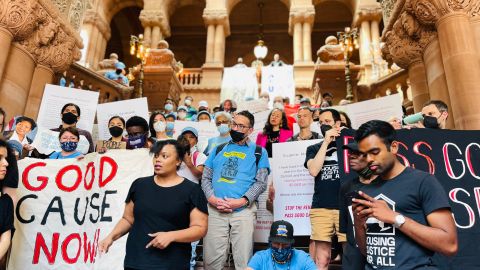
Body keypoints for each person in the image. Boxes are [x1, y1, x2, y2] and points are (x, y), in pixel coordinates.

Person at [352, 120, 457, 269]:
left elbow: (449, 245)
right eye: (364, 155)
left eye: (374, 152)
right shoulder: (367, 190)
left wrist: (395, 218)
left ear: (394, 147)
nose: (369, 159)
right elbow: (366, 251)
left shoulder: (423, 182)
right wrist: (358, 224)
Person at [99, 139, 208, 270]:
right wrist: (110, 237)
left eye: (164, 156)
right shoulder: (139, 185)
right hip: (136, 260)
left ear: (178, 161)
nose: (158, 160)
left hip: (172, 263)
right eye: (156, 156)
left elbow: (200, 228)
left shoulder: (192, 190)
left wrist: (171, 236)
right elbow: (128, 219)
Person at [201, 110, 270, 270]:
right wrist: (212, 199)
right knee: (211, 262)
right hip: (215, 211)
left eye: (241, 126)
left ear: (250, 130)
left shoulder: (259, 152)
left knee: (243, 261)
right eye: (234, 124)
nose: (236, 128)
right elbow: (205, 178)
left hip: (243, 212)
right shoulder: (217, 149)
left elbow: (261, 183)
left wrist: (241, 201)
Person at [304, 108, 346, 269]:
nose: (323, 125)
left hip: (346, 206)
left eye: (327, 122)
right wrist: (326, 142)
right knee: (322, 258)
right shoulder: (313, 149)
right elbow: (314, 170)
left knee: (349, 254)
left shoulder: (349, 144)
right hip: (321, 207)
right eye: (320, 122)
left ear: (337, 123)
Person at [338, 142, 377, 270]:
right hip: (353, 258)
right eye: (350, 153)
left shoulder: (386, 186)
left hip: (380, 253)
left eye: (357, 153)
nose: (351, 156)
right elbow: (345, 228)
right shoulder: (346, 188)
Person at [246, 220, 316, 270]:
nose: (280, 248)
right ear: (270, 242)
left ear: (291, 244)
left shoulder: (303, 258)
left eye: (285, 244)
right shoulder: (260, 258)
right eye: (276, 243)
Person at [0, 140, 16, 261]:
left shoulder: (6, 203)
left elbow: (5, 239)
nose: (5, 163)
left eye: (5, 158)